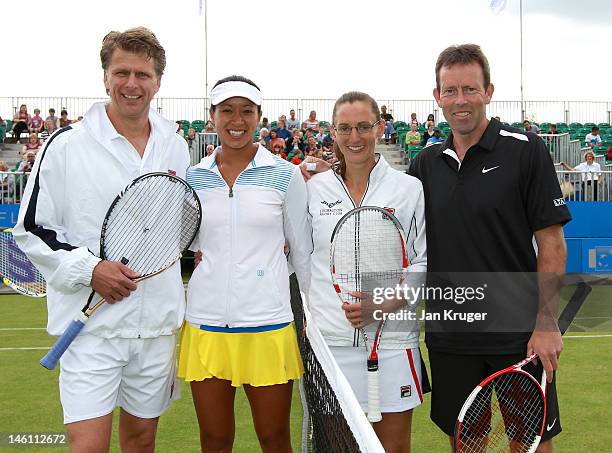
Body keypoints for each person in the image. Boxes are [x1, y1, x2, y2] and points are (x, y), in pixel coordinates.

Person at [13, 27, 189, 453]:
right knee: (87, 445)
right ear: (105, 77)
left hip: (157, 328)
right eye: (122, 72)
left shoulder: (176, 145)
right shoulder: (66, 144)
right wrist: (91, 269)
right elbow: (31, 230)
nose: (132, 84)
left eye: (143, 74)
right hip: (92, 329)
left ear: (158, 82)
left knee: (141, 442)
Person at [408, 43, 571, 453]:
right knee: (466, 442)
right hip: (449, 335)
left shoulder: (525, 149)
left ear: (488, 91)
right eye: (450, 91)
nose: (460, 101)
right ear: (437, 97)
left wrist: (547, 323)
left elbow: (551, 243)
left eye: (470, 89)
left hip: (516, 334)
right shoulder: (424, 163)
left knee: (530, 443)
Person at [180, 75, 311, 453]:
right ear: (212, 116)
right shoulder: (193, 176)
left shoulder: (286, 174)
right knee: (215, 440)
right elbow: (187, 238)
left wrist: (312, 315)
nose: (236, 119)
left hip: (267, 325)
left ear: (259, 117)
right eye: (227, 110)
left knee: (274, 439)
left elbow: (301, 252)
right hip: (206, 324)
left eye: (246, 111)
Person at [307, 91, 427, 452]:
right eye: (345, 128)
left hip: (393, 341)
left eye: (363, 127)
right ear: (333, 131)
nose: (354, 137)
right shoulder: (314, 189)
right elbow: (298, 257)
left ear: (379, 127)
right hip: (331, 343)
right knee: (337, 446)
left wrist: (386, 302)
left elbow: (423, 261)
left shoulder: (409, 188)